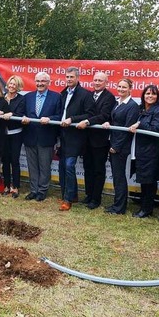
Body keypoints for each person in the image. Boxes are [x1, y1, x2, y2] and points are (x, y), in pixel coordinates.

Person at [55, 67, 96, 211]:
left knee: (69, 166)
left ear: (77, 78)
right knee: (62, 167)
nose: (69, 79)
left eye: (71, 77)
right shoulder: (63, 93)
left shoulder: (85, 94)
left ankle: (68, 200)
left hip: (76, 136)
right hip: (63, 135)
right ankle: (71, 195)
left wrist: (72, 119)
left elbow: (90, 114)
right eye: (67, 77)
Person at [76, 72, 116, 209]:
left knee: (98, 170)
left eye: (100, 80)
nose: (97, 82)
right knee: (87, 168)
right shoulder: (89, 95)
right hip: (86, 139)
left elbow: (104, 116)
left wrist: (87, 121)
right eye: (95, 80)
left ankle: (96, 198)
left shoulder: (109, 98)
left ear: (106, 82)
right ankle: (88, 195)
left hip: (100, 141)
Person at [129, 85, 159, 218]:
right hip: (140, 150)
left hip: (151, 152)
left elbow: (158, 129)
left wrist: (140, 124)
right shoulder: (141, 109)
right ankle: (143, 206)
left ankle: (147, 209)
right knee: (143, 180)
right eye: (147, 93)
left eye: (153, 94)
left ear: (158, 96)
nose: (150, 96)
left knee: (149, 181)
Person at [102, 78, 140, 215]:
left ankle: (119, 207)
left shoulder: (132, 106)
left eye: (124, 87)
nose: (121, 89)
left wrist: (116, 147)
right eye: (119, 86)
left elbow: (127, 129)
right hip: (113, 143)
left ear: (130, 89)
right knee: (117, 176)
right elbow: (115, 120)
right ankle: (117, 204)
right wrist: (107, 122)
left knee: (119, 177)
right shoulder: (117, 103)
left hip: (120, 147)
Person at [21, 72, 61, 201]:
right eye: (38, 81)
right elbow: (21, 113)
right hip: (30, 136)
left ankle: (42, 191)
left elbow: (60, 116)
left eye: (43, 81)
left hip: (46, 138)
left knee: (44, 166)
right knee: (32, 166)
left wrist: (49, 118)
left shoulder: (56, 97)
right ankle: (33, 190)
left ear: (48, 82)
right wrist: (23, 118)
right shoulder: (28, 97)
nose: (40, 84)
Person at [1, 75, 26, 199]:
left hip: (16, 133)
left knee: (14, 161)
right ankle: (6, 185)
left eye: (14, 84)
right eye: (10, 84)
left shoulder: (22, 99)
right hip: (3, 134)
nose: (11, 86)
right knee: (5, 161)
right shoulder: (2, 97)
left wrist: (11, 114)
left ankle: (15, 186)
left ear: (18, 87)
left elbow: (20, 114)